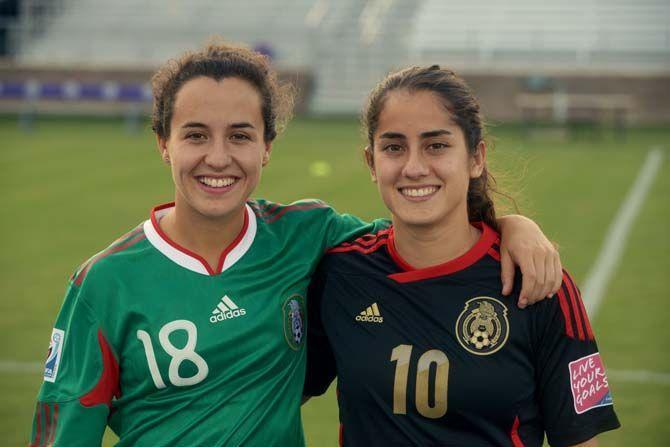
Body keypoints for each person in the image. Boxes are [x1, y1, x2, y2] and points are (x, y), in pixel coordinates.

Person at [29, 42, 561, 446]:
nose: (218, 157)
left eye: (240, 135)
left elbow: (423, 228)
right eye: (195, 135)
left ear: (267, 148)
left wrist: (509, 223)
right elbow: (63, 427)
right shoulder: (104, 282)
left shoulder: (307, 235)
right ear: (163, 143)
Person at [304, 65, 620, 446]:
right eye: (393, 147)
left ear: (476, 158)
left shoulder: (539, 282)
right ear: (372, 163)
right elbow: (272, 397)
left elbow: (580, 440)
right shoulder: (339, 273)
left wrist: (513, 225)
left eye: (436, 145)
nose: (415, 167)